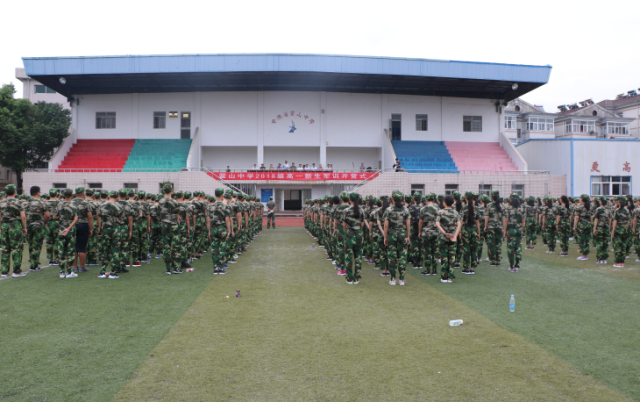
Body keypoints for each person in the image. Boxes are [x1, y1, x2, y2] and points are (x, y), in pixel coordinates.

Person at [0, 184, 28, 277]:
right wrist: (24, 227)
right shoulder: (19, 202)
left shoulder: (1, 202)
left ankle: (4, 271)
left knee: (5, 249)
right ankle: (16, 271)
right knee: (16, 249)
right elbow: (23, 216)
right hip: (15, 225)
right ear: (15, 192)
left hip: (4, 225)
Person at [96, 190, 125, 279]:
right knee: (115, 251)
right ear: (117, 197)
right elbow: (121, 219)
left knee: (105, 250)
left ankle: (103, 271)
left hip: (105, 229)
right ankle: (112, 272)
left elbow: (99, 216)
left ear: (109, 196)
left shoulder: (102, 205)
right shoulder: (119, 206)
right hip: (116, 229)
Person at [383, 191, 411, 286]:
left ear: (393, 199)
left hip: (392, 234)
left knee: (392, 257)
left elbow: (386, 225)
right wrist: (408, 236)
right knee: (402, 257)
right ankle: (402, 280)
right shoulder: (406, 210)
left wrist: (385, 236)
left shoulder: (389, 210)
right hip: (402, 234)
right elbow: (408, 224)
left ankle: (393, 279)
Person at [52, 189, 79, 278]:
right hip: (70, 229)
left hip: (61, 228)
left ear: (63, 195)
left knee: (61, 250)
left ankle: (61, 272)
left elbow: (54, 217)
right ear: (72, 195)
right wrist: (68, 228)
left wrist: (62, 217)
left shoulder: (60, 204)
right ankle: (69, 272)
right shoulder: (74, 204)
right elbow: (76, 219)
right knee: (71, 250)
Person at [435, 195, 461, 283]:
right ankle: (450, 276)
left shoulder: (441, 212)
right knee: (452, 257)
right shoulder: (456, 212)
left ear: (444, 203)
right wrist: (455, 236)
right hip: (453, 237)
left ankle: (444, 277)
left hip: (443, 237)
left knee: (444, 257)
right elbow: (459, 225)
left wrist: (445, 233)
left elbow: (437, 224)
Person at [25, 186, 49, 272]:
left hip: (28, 226)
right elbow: (47, 215)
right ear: (38, 193)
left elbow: (23, 215)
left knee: (31, 245)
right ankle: (33, 266)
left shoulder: (25, 203)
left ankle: (32, 263)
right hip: (39, 226)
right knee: (37, 246)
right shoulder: (41, 202)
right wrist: (45, 222)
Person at [342, 192, 364, 284]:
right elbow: (362, 224)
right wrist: (358, 230)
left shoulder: (346, 211)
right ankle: (357, 278)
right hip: (359, 234)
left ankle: (349, 278)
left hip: (349, 234)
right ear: (358, 199)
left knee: (348, 257)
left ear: (349, 199)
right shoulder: (361, 210)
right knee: (358, 257)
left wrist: (346, 233)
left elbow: (344, 224)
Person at [71, 187, 94, 273]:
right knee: (82, 247)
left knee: (74, 246)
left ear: (75, 194)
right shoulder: (86, 203)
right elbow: (90, 217)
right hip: (83, 225)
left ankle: (74, 266)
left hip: (72, 225)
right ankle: (82, 267)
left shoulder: (71, 202)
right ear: (84, 194)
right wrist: (91, 229)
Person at [503, 193, 525, 272]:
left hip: (511, 230)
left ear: (511, 199)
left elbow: (506, 220)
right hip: (518, 229)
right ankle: (517, 265)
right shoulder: (522, 208)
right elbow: (523, 221)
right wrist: (521, 230)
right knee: (518, 247)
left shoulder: (508, 208)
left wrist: (505, 230)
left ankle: (511, 266)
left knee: (511, 248)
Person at [418, 193, 439, 276]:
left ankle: (427, 269)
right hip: (436, 233)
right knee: (435, 251)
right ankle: (434, 270)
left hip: (426, 233)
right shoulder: (438, 209)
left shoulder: (423, 209)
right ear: (434, 200)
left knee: (427, 252)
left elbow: (420, 222)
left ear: (426, 200)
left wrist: (419, 232)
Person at [460, 191, 481, 274]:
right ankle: (472, 268)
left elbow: (461, 221)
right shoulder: (476, 208)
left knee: (466, 248)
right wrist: (479, 233)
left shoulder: (463, 208)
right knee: (474, 249)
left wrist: (460, 232)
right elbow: (478, 222)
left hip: (465, 229)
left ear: (465, 198)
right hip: (474, 230)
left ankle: (466, 268)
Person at [484, 190, 503, 266]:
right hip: (500, 227)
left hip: (491, 228)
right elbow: (504, 218)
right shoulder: (503, 206)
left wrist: (486, 226)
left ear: (492, 196)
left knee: (492, 244)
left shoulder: (489, 205)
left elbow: (487, 217)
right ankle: (498, 260)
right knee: (498, 244)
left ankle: (492, 260)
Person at [611, 196, 631, 268]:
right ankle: (622, 262)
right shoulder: (627, 210)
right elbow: (628, 221)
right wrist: (626, 228)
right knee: (623, 247)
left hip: (618, 231)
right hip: (625, 230)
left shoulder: (617, 210)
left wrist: (613, 231)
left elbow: (615, 222)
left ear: (619, 201)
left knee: (618, 247)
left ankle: (618, 262)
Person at [593, 196, 612, 264]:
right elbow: (610, 219)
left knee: (599, 243)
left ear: (601, 201)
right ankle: (604, 259)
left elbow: (596, 219)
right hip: (606, 228)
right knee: (605, 244)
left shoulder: (599, 209)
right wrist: (609, 228)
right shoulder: (609, 209)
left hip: (600, 228)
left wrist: (594, 228)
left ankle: (600, 259)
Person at [574, 194, 592, 261]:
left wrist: (575, 226)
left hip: (581, 225)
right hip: (588, 225)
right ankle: (585, 255)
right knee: (586, 240)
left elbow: (576, 217)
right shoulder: (589, 207)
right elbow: (591, 217)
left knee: (582, 240)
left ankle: (583, 255)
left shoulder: (579, 207)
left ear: (581, 199)